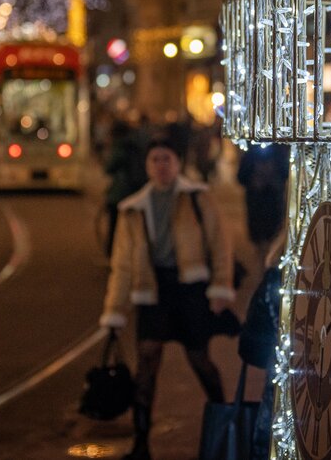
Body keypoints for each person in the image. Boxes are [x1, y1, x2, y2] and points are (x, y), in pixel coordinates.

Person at [100, 139, 236, 460]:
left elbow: (220, 244)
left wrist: (220, 287)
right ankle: (141, 443)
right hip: (153, 291)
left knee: (200, 360)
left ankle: (226, 429)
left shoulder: (197, 198)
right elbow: (121, 266)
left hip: (190, 290)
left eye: (167, 159)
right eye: (155, 159)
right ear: (148, 166)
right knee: (146, 364)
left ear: (177, 163)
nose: (161, 165)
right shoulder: (131, 208)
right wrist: (114, 312)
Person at [236, 143, 291, 259]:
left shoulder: (277, 150)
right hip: (256, 202)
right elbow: (241, 176)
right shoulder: (251, 152)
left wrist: (273, 180)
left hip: (273, 202)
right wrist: (254, 181)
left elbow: (285, 173)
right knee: (259, 240)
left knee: (273, 238)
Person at [102, 118, 147, 256]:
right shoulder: (138, 142)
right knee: (136, 226)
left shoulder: (119, 146)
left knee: (115, 227)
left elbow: (109, 168)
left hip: (120, 193)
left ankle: (113, 255)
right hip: (137, 190)